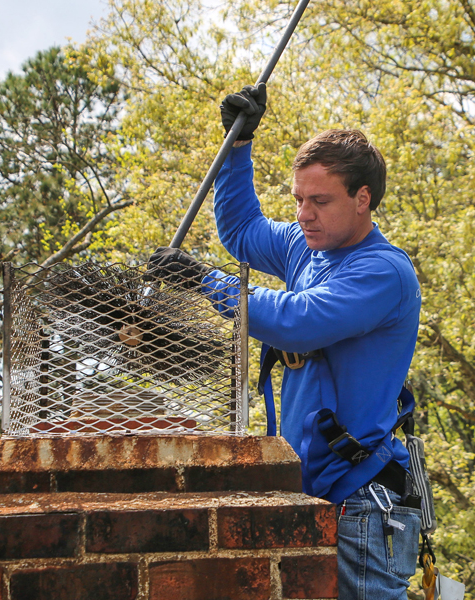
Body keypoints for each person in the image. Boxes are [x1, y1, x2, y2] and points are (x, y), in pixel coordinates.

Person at [149, 83, 422, 599]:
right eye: (298, 199)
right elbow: (243, 230)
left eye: (319, 201)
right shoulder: (307, 247)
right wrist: (237, 146)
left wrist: (208, 281)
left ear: (363, 199)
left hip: (360, 502)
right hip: (307, 493)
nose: (303, 213)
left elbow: (296, 321)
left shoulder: (384, 272)